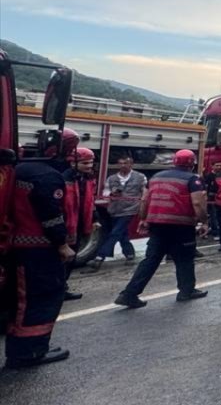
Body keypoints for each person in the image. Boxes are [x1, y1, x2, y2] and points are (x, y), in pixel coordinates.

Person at [4, 148, 74, 368]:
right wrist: (62, 243)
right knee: (41, 299)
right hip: (39, 251)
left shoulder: (17, 170)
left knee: (22, 301)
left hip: (16, 247)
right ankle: (29, 352)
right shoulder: (45, 176)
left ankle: (25, 349)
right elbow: (51, 215)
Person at [113, 149, 208, 308]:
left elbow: (144, 200)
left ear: (174, 161)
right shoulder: (193, 179)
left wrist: (143, 219)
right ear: (193, 163)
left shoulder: (155, 177)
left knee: (151, 260)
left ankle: (129, 294)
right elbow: (198, 203)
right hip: (181, 227)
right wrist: (204, 222)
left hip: (157, 225)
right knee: (184, 259)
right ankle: (186, 291)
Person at [89, 156, 146, 269]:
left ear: (131, 164)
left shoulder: (140, 177)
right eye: (120, 163)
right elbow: (105, 192)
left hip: (130, 209)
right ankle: (130, 254)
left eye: (125, 163)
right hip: (115, 209)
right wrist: (112, 194)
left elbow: (144, 193)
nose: (123, 165)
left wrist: (142, 207)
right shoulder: (111, 178)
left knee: (115, 232)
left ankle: (100, 257)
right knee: (121, 233)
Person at [59, 147, 98, 302]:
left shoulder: (87, 178)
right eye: (85, 163)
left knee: (70, 260)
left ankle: (62, 288)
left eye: (91, 162)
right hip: (66, 225)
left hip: (79, 224)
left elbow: (90, 201)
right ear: (73, 163)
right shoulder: (65, 179)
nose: (89, 166)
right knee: (62, 260)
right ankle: (58, 290)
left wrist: (94, 219)